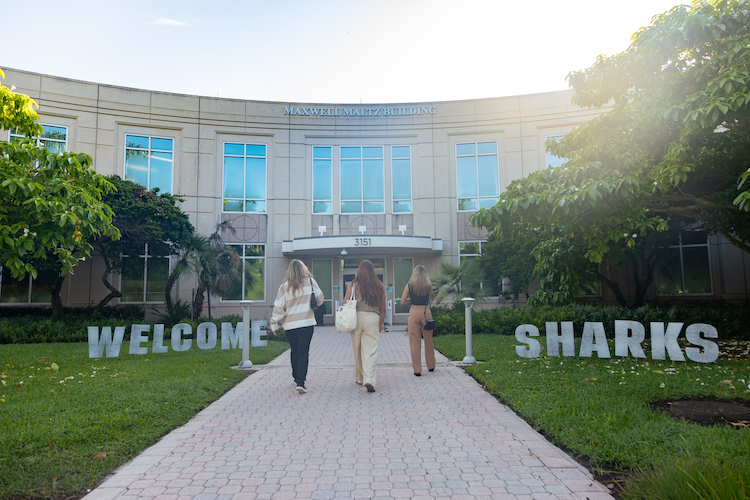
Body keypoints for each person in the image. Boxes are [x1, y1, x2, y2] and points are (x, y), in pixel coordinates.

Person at [270, 259, 324, 394]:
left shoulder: (284, 286)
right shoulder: (311, 282)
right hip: (306, 323)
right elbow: (320, 299)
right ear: (303, 269)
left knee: (294, 350)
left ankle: (295, 377)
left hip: (290, 325)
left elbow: (278, 306)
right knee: (303, 351)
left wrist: (274, 323)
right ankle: (301, 382)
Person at [343, 260, 386, 393]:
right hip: (372, 317)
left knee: (358, 349)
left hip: (356, 318)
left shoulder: (353, 284)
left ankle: (360, 377)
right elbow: (383, 306)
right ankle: (369, 379)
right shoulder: (379, 284)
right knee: (370, 350)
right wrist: (381, 323)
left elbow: (345, 301)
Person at [400, 265, 435, 376]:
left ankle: (417, 370)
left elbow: (402, 301)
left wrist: (412, 300)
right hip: (426, 311)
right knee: (428, 340)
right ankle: (431, 365)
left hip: (414, 311)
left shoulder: (409, 285)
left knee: (414, 342)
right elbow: (432, 298)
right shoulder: (428, 285)